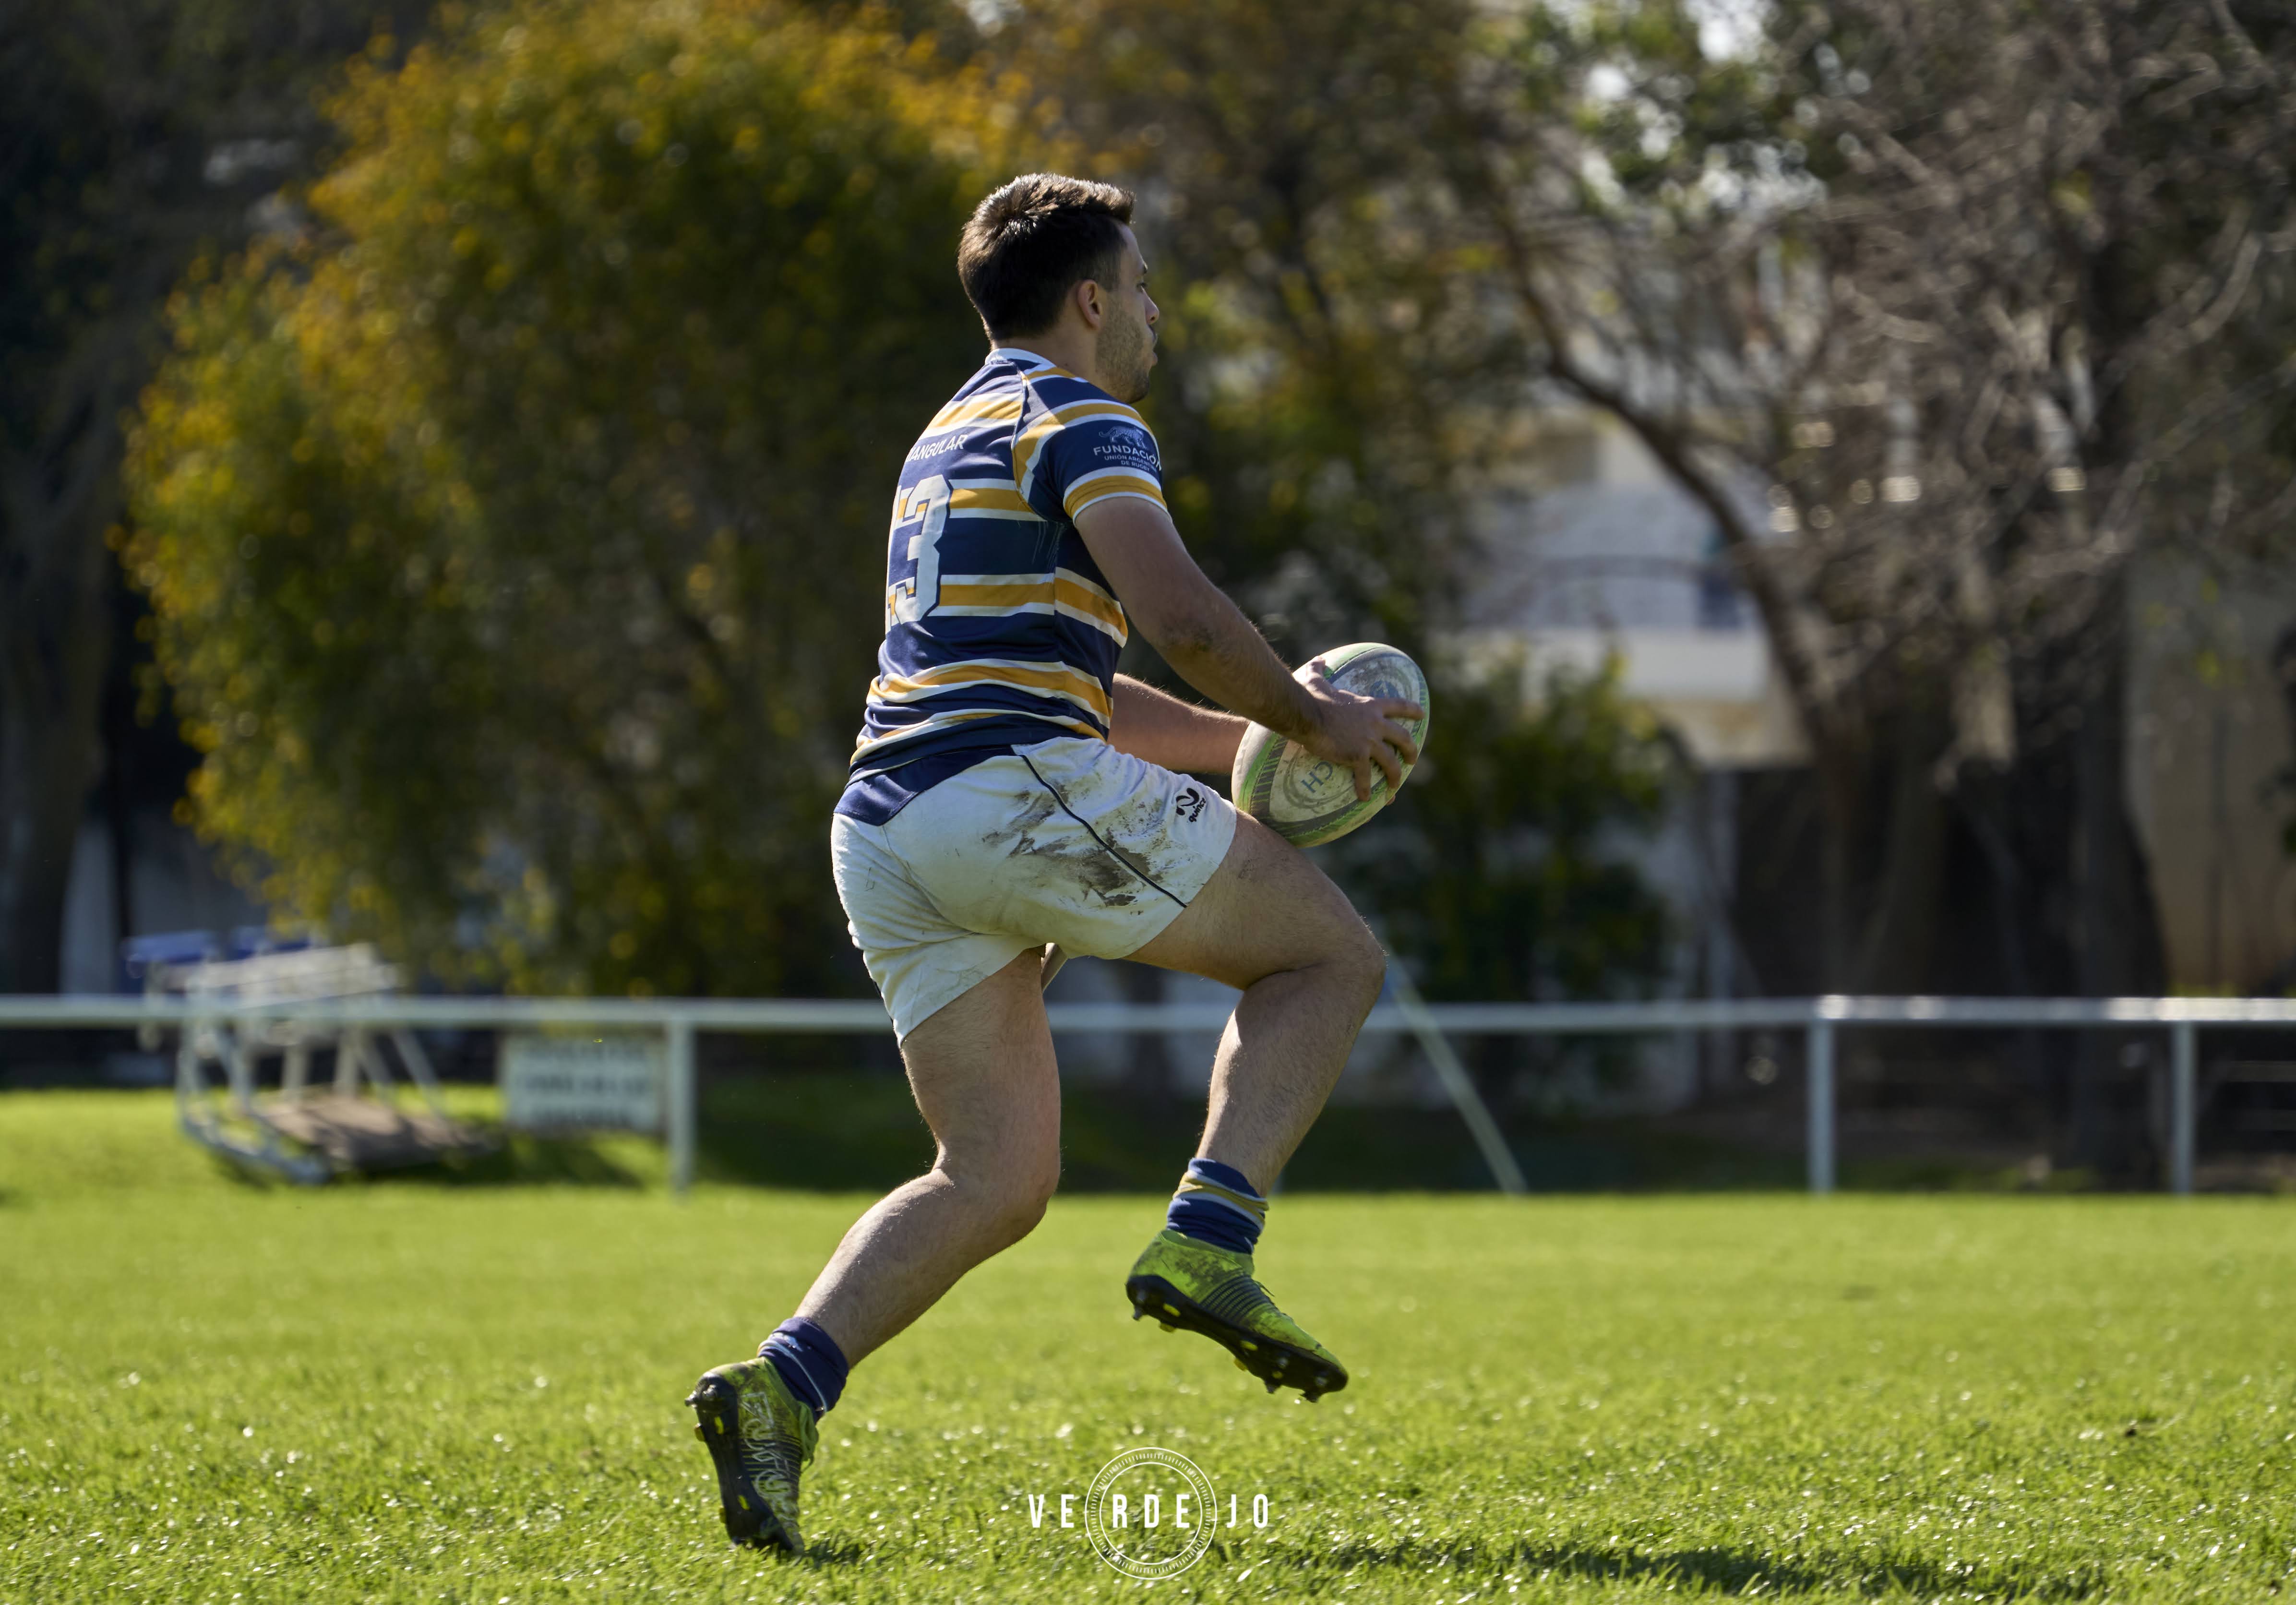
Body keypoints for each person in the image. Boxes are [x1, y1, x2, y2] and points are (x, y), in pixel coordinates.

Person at [685, 173, 1422, 1553]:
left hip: (889, 826)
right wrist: (1316, 716)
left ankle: (781, 1390)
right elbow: (1183, 617)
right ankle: (1213, 1233)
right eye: (1139, 285)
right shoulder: (1087, 415)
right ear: (1089, 300)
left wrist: (1252, 747)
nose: (1151, 310)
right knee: (1328, 958)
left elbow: (1056, 676)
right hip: (1000, 790)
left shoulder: (944, 437)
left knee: (996, 1175)